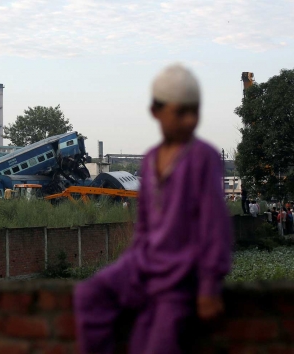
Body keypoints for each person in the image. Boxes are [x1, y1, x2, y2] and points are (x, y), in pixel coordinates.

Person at [74, 64, 232, 354]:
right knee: (89, 296)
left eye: (194, 111)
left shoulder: (203, 158)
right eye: (180, 112)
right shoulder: (150, 160)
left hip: (182, 275)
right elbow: (144, 225)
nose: (190, 120)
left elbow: (214, 225)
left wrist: (209, 285)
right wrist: (132, 262)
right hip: (143, 265)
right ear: (156, 112)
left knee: (154, 345)